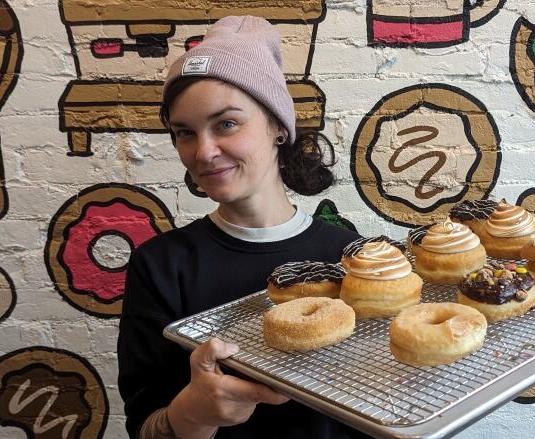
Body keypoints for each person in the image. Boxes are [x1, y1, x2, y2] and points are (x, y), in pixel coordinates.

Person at [117, 15, 367, 439]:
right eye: (184, 133)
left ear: (276, 127)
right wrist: (192, 415)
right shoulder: (160, 266)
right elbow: (145, 427)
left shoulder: (349, 258)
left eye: (226, 123)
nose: (204, 151)